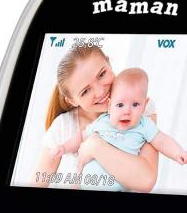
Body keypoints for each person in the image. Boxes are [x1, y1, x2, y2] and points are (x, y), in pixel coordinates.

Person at [32, 44, 158, 192]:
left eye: (102, 74)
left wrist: (95, 147)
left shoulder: (140, 108)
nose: (100, 92)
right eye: (85, 91)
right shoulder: (62, 126)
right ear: (72, 101)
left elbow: (146, 181)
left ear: (109, 63)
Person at [72, 68, 187, 191]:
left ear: (144, 105)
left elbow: (162, 140)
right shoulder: (103, 121)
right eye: (120, 105)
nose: (127, 111)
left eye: (135, 104)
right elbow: (81, 136)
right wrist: (64, 147)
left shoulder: (144, 125)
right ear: (110, 105)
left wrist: (178, 152)